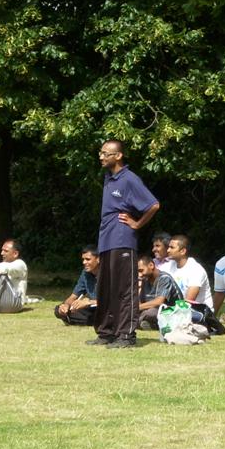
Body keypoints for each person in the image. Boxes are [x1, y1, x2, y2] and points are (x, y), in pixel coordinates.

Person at [89, 139, 160, 348]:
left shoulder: (129, 179)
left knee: (123, 289)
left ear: (118, 156)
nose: (101, 157)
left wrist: (137, 223)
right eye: (100, 153)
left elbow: (153, 205)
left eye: (106, 153)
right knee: (106, 288)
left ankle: (126, 335)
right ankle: (107, 332)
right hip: (106, 240)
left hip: (122, 240)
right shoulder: (109, 178)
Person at [54, 245, 100, 326]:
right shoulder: (85, 273)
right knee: (58, 310)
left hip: (107, 309)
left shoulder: (109, 273)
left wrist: (89, 302)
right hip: (92, 309)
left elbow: (114, 301)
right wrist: (66, 305)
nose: (84, 262)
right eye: (83, 259)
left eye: (88, 259)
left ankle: (93, 320)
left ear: (98, 259)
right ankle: (94, 321)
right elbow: (73, 296)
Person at [166, 234, 214, 310]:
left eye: (172, 247)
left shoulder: (196, 270)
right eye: (168, 247)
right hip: (178, 309)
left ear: (183, 251)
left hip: (199, 312)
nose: (168, 250)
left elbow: (188, 301)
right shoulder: (169, 265)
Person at [137, 255, 184, 329]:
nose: (140, 275)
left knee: (149, 313)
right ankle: (146, 324)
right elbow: (142, 302)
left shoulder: (164, 278)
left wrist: (136, 308)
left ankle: (141, 323)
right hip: (155, 312)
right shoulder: (145, 280)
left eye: (141, 270)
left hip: (173, 312)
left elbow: (159, 302)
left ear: (151, 265)